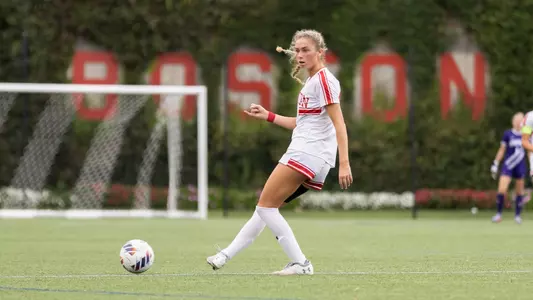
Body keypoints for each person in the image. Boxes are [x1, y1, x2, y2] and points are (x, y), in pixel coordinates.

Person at [206, 29, 352, 275]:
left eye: (306, 49)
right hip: (314, 157)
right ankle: (224, 256)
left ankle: (301, 264)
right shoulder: (312, 82)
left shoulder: (325, 80)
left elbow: (340, 123)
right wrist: (269, 116)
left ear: (320, 52)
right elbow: (303, 123)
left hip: (307, 153)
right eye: (297, 50)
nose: (300, 54)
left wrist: (345, 163)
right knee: (265, 209)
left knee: (265, 208)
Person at [491, 112, 525, 224]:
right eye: (517, 120)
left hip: (520, 165)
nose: (519, 122)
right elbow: (502, 149)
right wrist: (496, 163)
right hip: (508, 165)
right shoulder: (508, 134)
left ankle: (517, 216)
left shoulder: (527, 135)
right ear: (513, 121)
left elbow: (530, 152)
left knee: (519, 191)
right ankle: (499, 214)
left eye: (521, 120)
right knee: (502, 189)